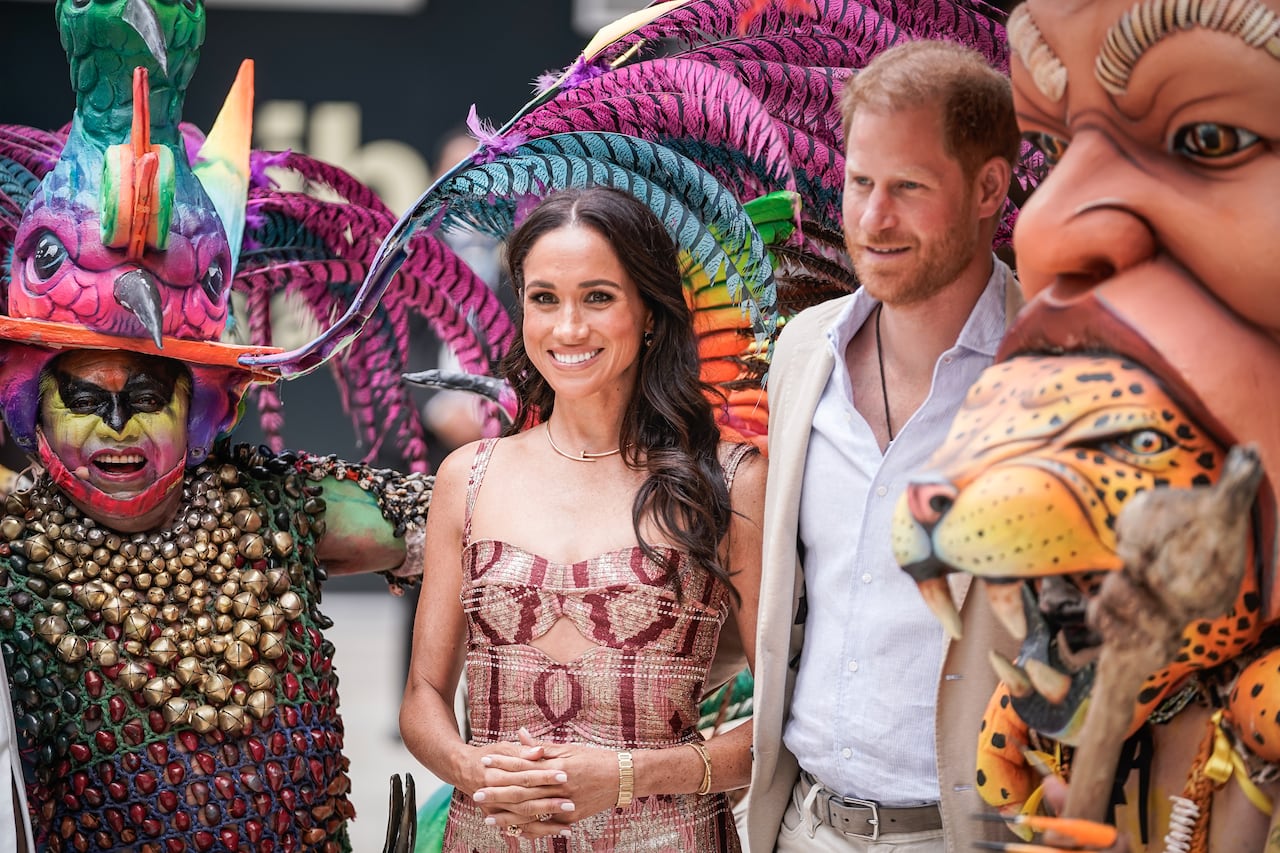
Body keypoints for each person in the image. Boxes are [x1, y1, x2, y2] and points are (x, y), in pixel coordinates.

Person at [400, 185, 765, 850]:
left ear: (649, 312)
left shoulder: (730, 481)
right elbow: (424, 692)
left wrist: (627, 776)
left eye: (598, 296)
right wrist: (468, 764)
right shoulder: (469, 477)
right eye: (544, 298)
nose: (567, 327)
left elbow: (782, 720)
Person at [747, 39, 1024, 852]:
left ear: (988, 189)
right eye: (860, 182)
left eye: (907, 187)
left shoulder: (1048, 370)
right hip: (803, 824)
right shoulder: (803, 351)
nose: (872, 219)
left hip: (964, 834)